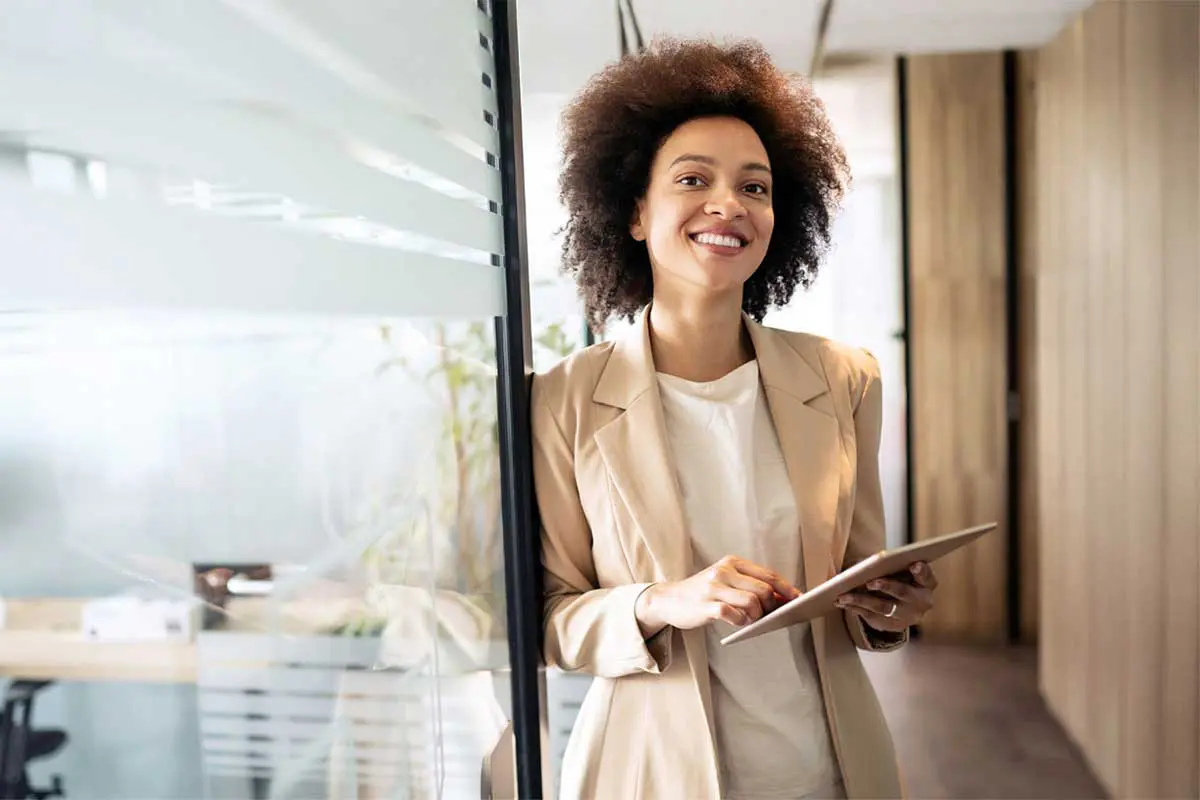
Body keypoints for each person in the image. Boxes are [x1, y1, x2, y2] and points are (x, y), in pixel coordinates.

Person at [530, 39, 938, 800]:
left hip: (829, 770)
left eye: (756, 186)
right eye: (693, 180)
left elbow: (862, 583)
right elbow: (549, 621)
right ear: (635, 212)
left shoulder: (844, 378)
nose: (729, 204)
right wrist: (663, 600)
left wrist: (891, 611)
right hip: (650, 773)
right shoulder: (561, 399)